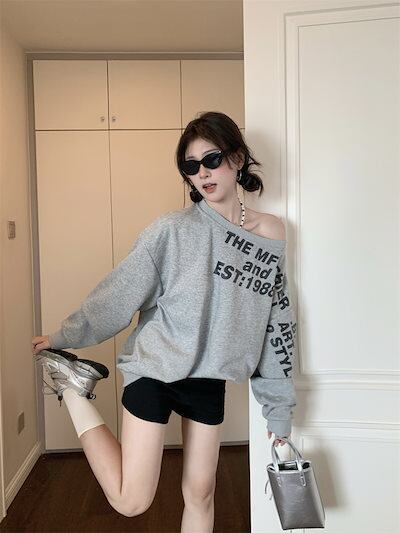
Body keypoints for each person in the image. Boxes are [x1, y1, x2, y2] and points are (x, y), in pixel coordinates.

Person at [32, 111, 297, 532]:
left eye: (211, 160)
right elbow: (119, 293)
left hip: (208, 375)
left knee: (201, 493)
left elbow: (276, 322)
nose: (202, 173)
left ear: (238, 158)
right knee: (131, 501)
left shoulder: (272, 233)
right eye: (191, 166)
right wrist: (66, 335)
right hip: (156, 368)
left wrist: (278, 410)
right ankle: (71, 387)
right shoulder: (172, 230)